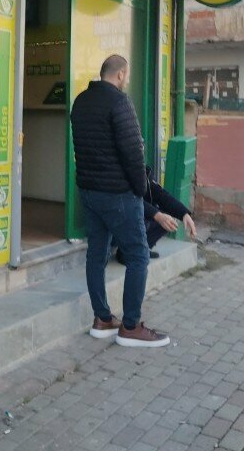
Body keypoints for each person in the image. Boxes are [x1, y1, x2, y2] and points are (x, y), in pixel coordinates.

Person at [70, 54, 170, 348]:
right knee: (138, 255)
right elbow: (133, 152)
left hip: (89, 192)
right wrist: (140, 189)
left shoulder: (80, 102)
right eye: (126, 75)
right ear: (121, 74)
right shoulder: (119, 102)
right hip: (118, 195)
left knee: (96, 254)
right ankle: (130, 326)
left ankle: (102, 319)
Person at [115, 166, 197, 265]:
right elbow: (129, 200)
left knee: (168, 219)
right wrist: (157, 215)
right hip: (117, 219)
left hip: (137, 215)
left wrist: (184, 214)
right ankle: (126, 252)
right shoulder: (119, 173)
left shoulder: (144, 172)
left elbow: (162, 195)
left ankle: (142, 248)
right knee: (151, 217)